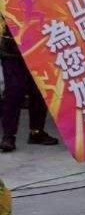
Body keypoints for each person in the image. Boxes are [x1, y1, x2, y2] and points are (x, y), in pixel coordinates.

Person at [1, 22, 59, 153]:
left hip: (38, 44)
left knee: (39, 89)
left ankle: (36, 131)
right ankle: (8, 136)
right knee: (14, 92)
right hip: (12, 49)